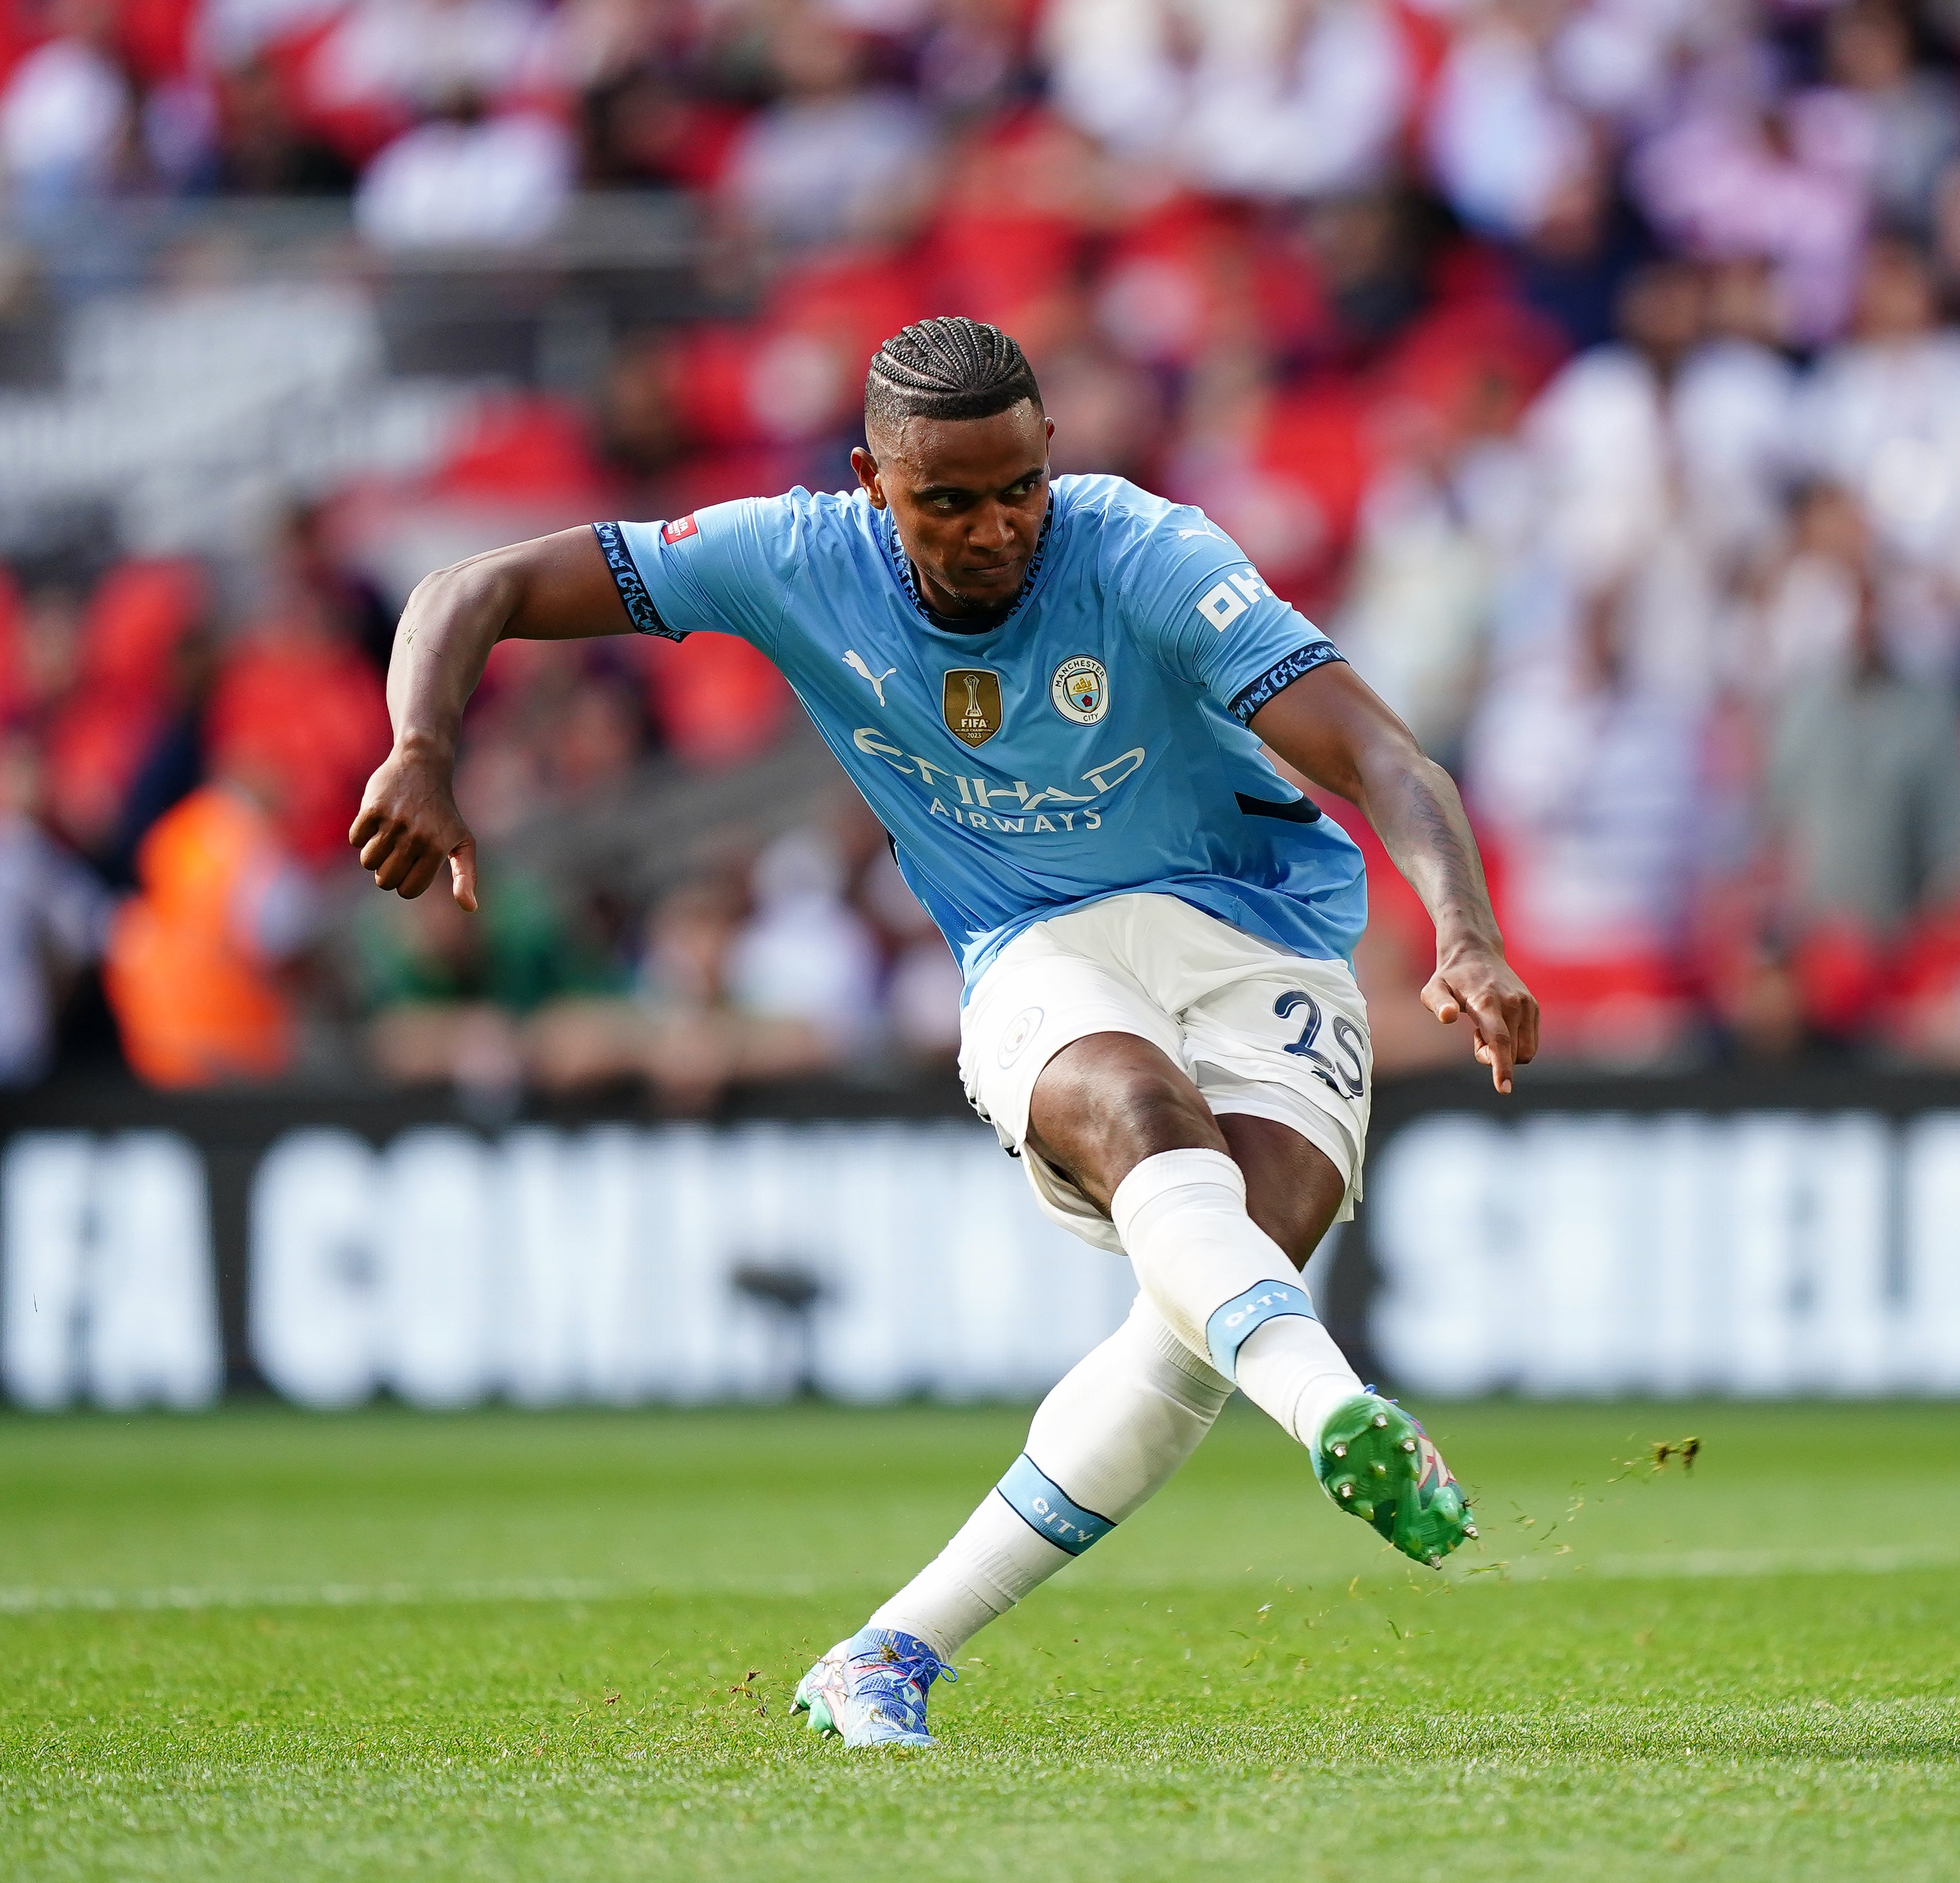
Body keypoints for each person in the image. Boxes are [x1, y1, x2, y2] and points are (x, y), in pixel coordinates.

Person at [348, 317, 1537, 1746]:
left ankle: (887, 1652)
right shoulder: (789, 557)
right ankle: (1340, 1411)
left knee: (1210, 1303)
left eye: (1019, 488)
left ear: (1052, 460)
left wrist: (1463, 930)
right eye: (948, 502)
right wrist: (422, 745)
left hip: (1261, 933)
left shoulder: (1148, 554)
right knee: (1149, 1133)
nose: (996, 531)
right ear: (872, 481)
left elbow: (1381, 751)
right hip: (1034, 939)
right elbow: (473, 584)